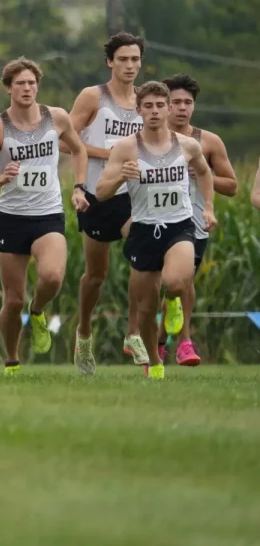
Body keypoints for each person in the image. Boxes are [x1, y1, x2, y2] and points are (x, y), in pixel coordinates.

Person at [0, 59, 89, 374]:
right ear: (9, 88)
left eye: (31, 83)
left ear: (37, 86)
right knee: (12, 300)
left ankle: (37, 311)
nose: (27, 88)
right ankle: (12, 359)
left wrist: (79, 187)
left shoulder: (57, 118)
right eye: (20, 83)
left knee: (52, 276)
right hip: (11, 218)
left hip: (48, 213)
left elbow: (79, 151)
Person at [96, 81, 215, 380]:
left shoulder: (187, 145)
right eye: (147, 106)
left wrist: (209, 207)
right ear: (138, 110)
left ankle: (174, 302)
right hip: (144, 231)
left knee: (176, 281)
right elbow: (101, 192)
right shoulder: (126, 148)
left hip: (180, 225)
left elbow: (203, 171)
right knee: (146, 308)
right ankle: (154, 361)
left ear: (168, 108)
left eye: (160, 105)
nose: (154, 111)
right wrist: (121, 177)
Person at [67, 31, 145, 375]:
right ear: (110, 62)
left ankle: (134, 332)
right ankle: (84, 332)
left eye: (135, 59)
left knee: (144, 259)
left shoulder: (147, 100)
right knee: (96, 276)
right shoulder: (92, 96)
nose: (130, 66)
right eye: (123, 59)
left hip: (136, 196)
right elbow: (65, 139)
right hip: (98, 194)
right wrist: (111, 155)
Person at [160, 74, 238, 366]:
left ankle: (183, 343)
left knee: (182, 282)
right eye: (176, 102)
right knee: (157, 283)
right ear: (165, 105)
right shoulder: (149, 137)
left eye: (188, 102)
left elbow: (232, 186)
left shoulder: (208, 142)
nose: (182, 108)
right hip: (154, 219)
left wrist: (205, 175)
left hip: (193, 222)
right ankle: (152, 339)